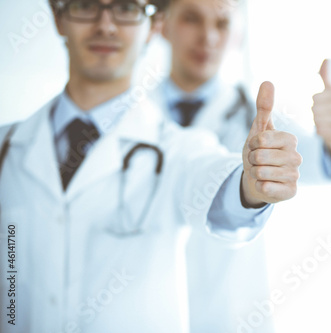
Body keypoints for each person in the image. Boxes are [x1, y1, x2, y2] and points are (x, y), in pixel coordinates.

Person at [0, 0, 302, 332]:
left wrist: (249, 186)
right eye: (86, 5)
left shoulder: (177, 149)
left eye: (126, 8)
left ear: (153, 26)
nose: (106, 25)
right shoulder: (6, 149)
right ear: (58, 17)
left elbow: (212, 184)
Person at [152, 0, 331, 332]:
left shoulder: (255, 114)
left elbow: (316, 163)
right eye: (191, 19)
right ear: (162, 25)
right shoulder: (134, 117)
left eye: (222, 24)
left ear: (237, 36)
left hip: (231, 313)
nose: (208, 37)